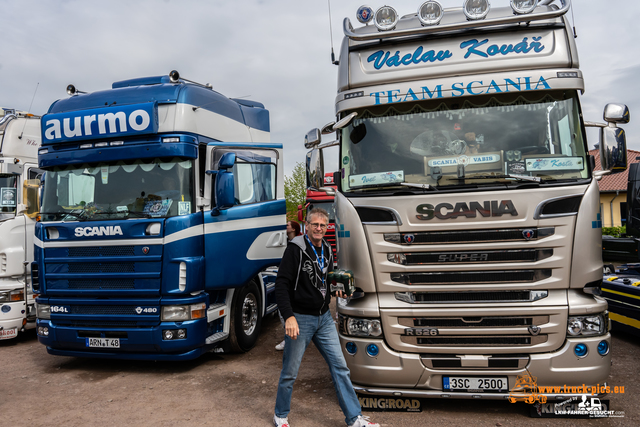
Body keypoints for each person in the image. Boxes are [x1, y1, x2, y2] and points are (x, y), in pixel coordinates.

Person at [273, 208, 378, 427]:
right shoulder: (295, 249)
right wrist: (288, 317)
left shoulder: (328, 249)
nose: (319, 228)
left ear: (327, 227)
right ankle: (280, 415)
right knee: (290, 373)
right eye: (315, 224)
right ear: (307, 226)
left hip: (324, 319)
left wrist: (336, 291)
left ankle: (354, 418)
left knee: (340, 367)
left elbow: (326, 282)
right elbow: (281, 284)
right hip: (300, 319)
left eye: (323, 225)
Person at [275, 221, 304, 351]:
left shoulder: (298, 243)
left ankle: (290, 338)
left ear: (293, 228)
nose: (285, 226)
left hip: (294, 284)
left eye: (287, 225)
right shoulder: (286, 241)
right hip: (289, 280)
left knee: (286, 312)